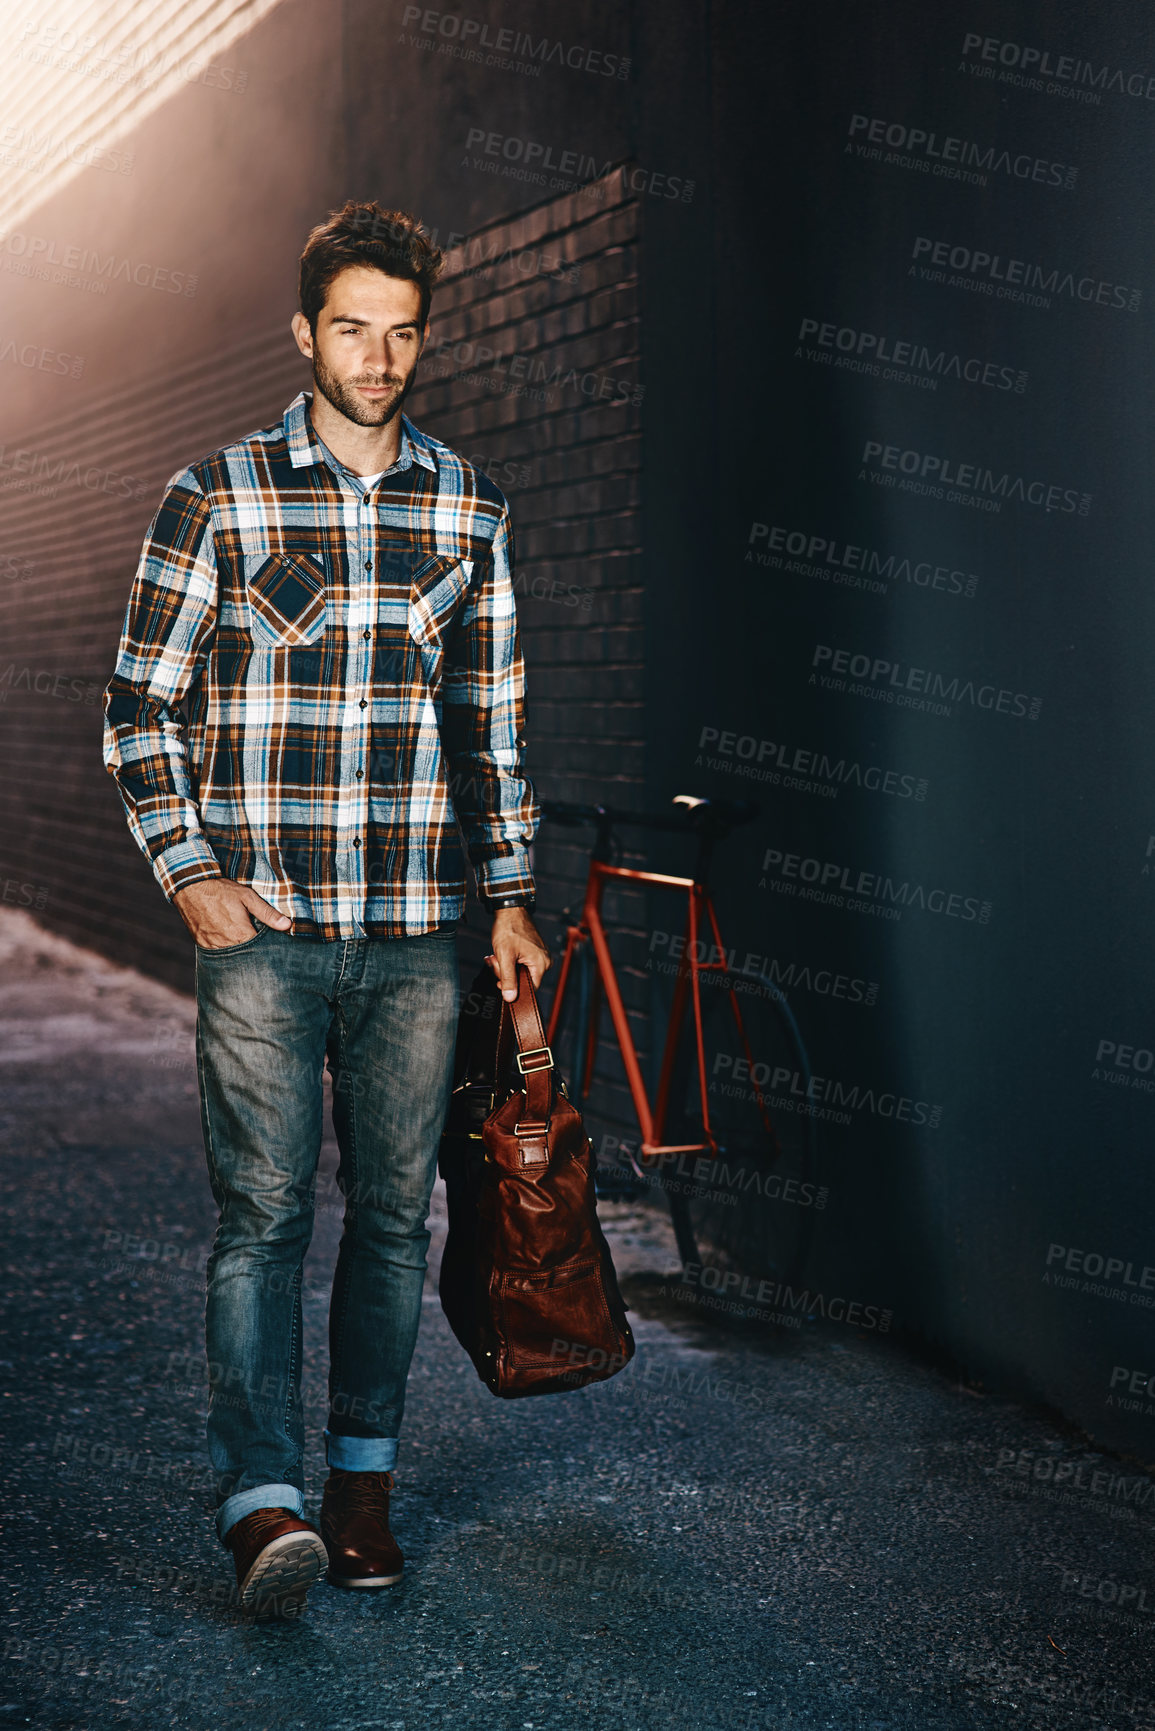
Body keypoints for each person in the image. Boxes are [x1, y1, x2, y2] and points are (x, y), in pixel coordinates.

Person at [102, 200, 550, 1616]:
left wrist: (512, 897)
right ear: (304, 333)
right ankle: (261, 1503)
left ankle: (362, 1489)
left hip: (418, 935)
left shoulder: (465, 508)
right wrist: (190, 872)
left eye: (403, 331)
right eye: (352, 327)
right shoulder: (220, 495)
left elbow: (492, 725)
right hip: (268, 937)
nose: (379, 355)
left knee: (395, 1225)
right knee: (263, 1217)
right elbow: (137, 708)